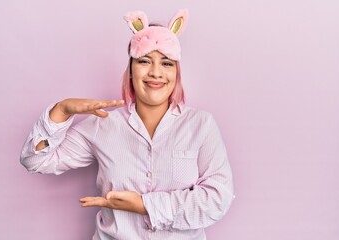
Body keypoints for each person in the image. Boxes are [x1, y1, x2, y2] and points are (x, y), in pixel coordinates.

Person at [20, 9, 235, 240]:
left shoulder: (201, 125)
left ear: (176, 72)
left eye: (166, 63)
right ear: (131, 70)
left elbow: (218, 200)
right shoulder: (103, 124)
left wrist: (145, 205)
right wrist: (60, 111)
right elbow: (35, 160)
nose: (155, 73)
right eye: (144, 61)